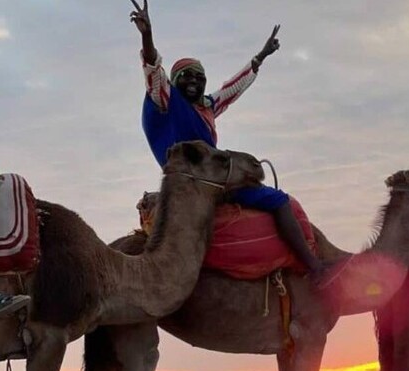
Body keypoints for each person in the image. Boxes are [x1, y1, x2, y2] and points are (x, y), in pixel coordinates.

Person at [129, 0, 326, 280]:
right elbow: (153, 72)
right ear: (175, 81)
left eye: (200, 76)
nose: (194, 81)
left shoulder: (206, 106)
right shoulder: (166, 101)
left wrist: (260, 57)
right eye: (186, 76)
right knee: (279, 201)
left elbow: (232, 89)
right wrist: (147, 36)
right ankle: (315, 268)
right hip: (201, 183)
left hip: (204, 180)